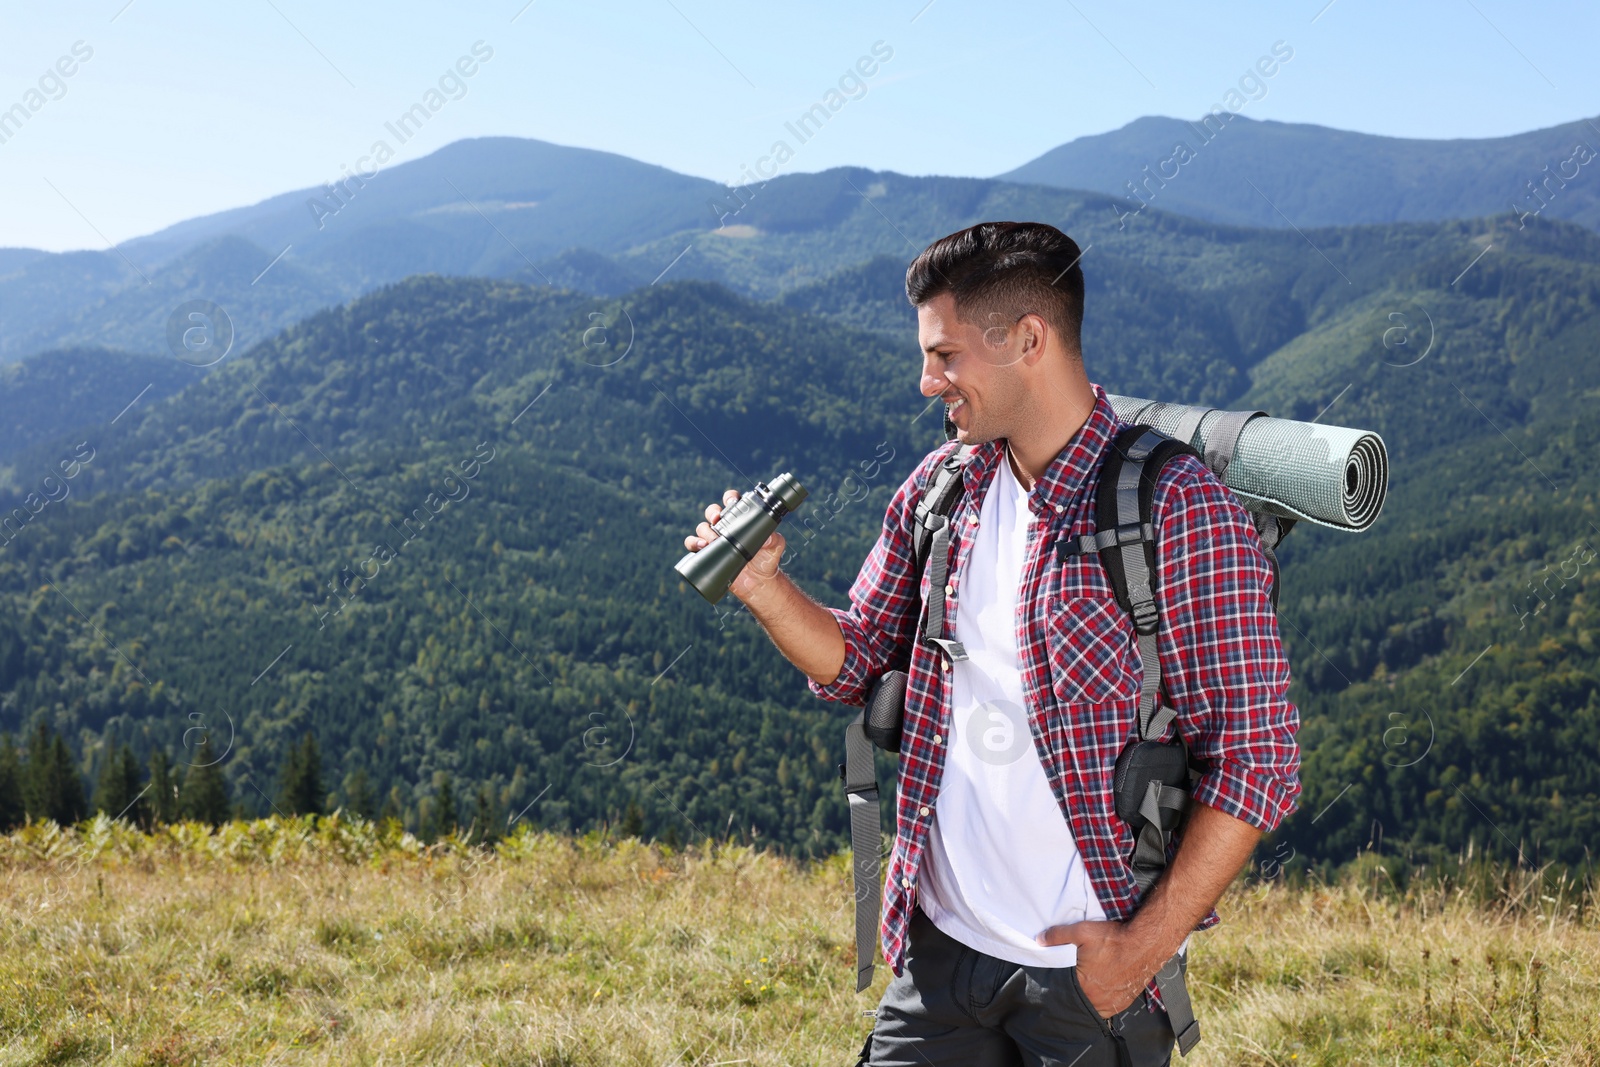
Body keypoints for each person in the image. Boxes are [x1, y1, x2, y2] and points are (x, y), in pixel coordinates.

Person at [681, 221, 1302, 1066]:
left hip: (1088, 981)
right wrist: (763, 588)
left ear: (1029, 341)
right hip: (940, 955)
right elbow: (858, 659)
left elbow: (1257, 759)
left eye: (945, 355)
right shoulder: (945, 490)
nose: (926, 381)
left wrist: (1137, 954)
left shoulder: (1175, 508)